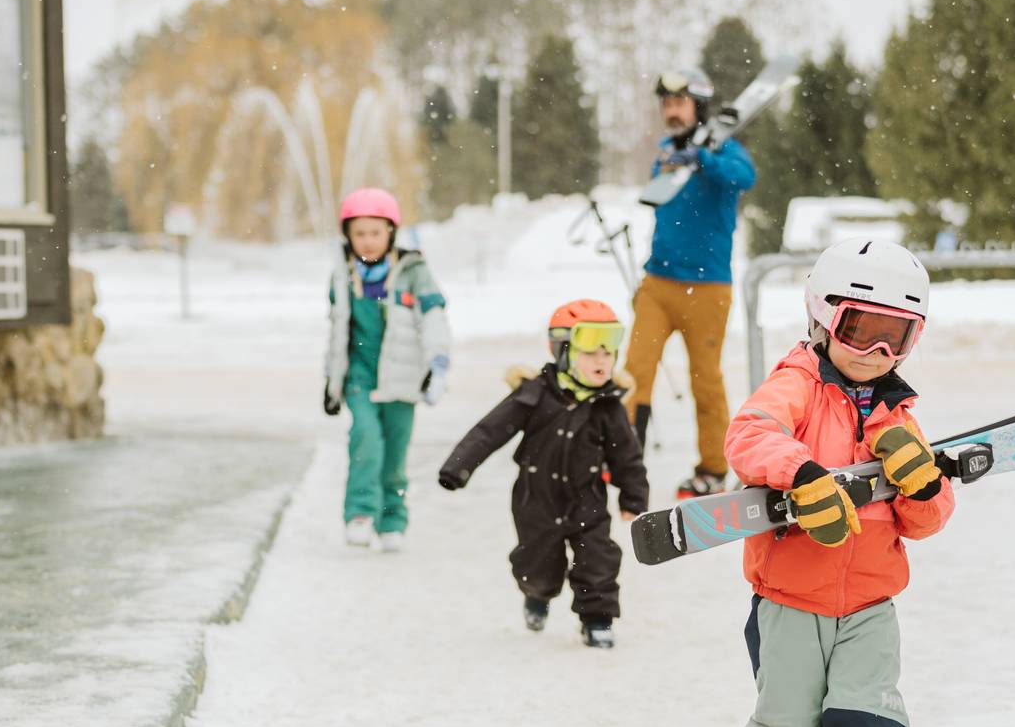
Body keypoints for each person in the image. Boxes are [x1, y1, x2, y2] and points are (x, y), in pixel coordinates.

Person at [722, 237, 955, 727]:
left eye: (896, 337)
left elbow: (927, 523)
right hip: (790, 605)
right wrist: (799, 473)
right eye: (862, 330)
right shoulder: (796, 383)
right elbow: (749, 434)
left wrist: (924, 484)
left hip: (870, 609)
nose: (877, 353)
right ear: (825, 318)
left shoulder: (897, 416)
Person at [437, 300, 648, 650]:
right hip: (535, 502)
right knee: (537, 566)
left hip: (587, 502)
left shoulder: (608, 406)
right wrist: (457, 467)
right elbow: (489, 431)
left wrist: (634, 496)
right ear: (562, 352)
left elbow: (627, 457)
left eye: (608, 353)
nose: (602, 361)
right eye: (591, 352)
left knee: (599, 560)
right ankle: (536, 595)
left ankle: (597, 620)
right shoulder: (533, 394)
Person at [622, 68, 756, 499]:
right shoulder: (665, 153)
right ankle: (624, 461)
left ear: (698, 107)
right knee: (634, 373)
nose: (671, 111)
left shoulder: (726, 151)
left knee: (705, 381)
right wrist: (681, 159)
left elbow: (744, 178)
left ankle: (712, 470)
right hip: (658, 284)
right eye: (666, 104)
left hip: (708, 288)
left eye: (679, 103)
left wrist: (704, 159)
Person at [324, 187, 450, 551]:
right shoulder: (343, 276)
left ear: (391, 233)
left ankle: (392, 519)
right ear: (348, 235)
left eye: (375, 232)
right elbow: (336, 332)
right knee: (365, 439)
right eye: (359, 233)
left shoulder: (414, 272)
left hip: (402, 376)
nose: (368, 240)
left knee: (395, 453)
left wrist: (438, 364)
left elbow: (434, 318)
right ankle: (360, 513)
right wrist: (331, 382)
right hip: (360, 377)